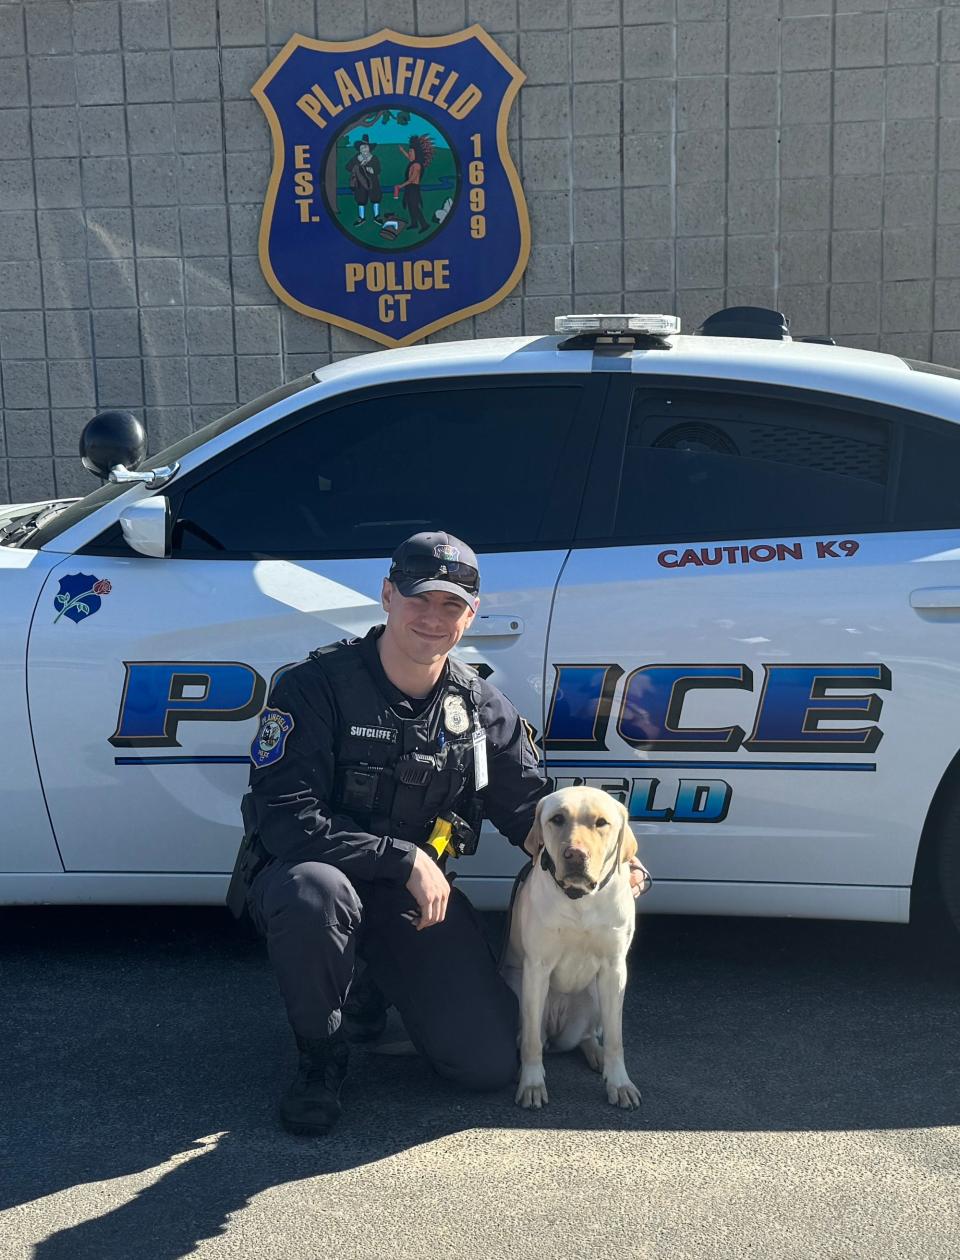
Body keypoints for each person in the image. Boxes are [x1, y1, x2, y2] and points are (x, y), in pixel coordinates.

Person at [235, 531, 650, 1135]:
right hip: (320, 875)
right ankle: (319, 1058)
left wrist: (610, 861)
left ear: (470, 616)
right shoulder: (314, 686)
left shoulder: (478, 705)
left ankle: (374, 984)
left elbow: (532, 811)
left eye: (451, 605)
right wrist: (399, 859)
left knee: (487, 1063)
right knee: (313, 896)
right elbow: (284, 812)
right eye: (419, 598)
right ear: (387, 595)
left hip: (411, 901)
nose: (434, 617)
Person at [345, 134, 382, 227]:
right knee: (361, 200)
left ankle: (377, 216)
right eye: (362, 148)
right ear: (359, 149)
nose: (364, 150)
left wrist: (372, 170)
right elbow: (348, 167)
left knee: (375, 199)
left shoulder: (374, 158)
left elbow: (378, 169)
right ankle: (361, 218)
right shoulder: (356, 158)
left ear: (369, 148)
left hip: (373, 182)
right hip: (360, 183)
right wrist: (358, 164)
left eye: (366, 147)